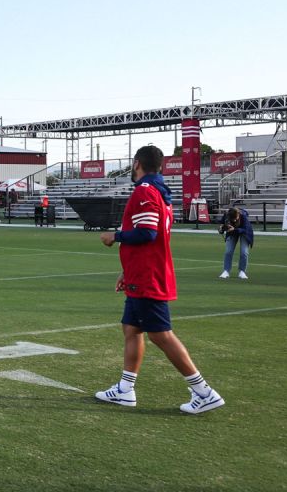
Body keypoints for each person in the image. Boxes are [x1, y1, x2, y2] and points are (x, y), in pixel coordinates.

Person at [95, 145, 224, 414]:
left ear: (137, 163)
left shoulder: (145, 191)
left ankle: (203, 391)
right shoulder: (159, 192)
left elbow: (147, 233)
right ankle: (125, 390)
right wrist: (127, 270)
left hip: (148, 275)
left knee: (161, 335)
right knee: (131, 329)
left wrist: (114, 236)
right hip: (142, 272)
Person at [218, 206, 253, 280]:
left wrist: (235, 229)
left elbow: (245, 229)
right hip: (232, 232)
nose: (234, 220)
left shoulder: (243, 216)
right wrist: (221, 229)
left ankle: (242, 271)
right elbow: (221, 223)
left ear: (238, 215)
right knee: (228, 251)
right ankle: (226, 271)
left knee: (244, 252)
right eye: (232, 219)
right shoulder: (227, 215)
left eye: (235, 218)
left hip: (245, 233)